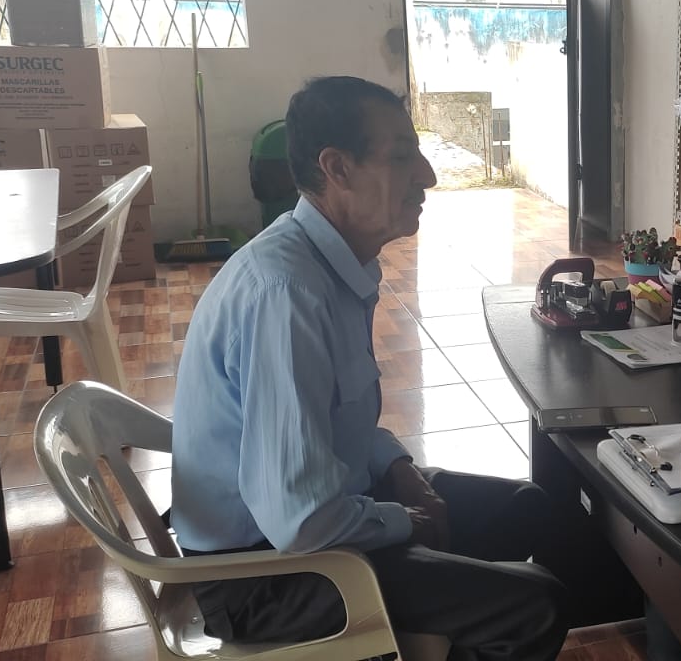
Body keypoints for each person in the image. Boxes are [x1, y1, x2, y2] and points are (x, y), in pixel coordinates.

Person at [169, 76, 566, 660]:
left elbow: (340, 418)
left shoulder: (333, 263)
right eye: (402, 157)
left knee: (528, 508)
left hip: (314, 515)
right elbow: (300, 520)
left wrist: (397, 466)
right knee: (536, 606)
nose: (427, 176)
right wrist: (403, 521)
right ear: (338, 168)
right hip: (264, 574)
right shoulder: (286, 294)